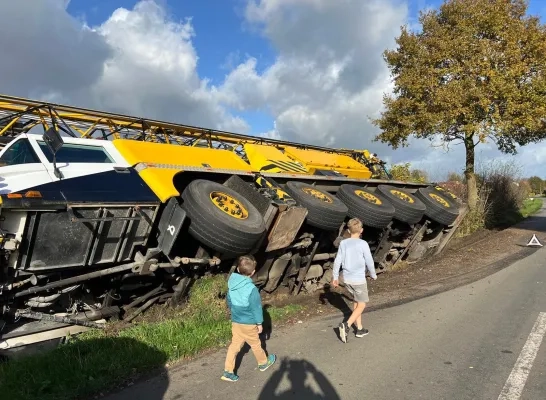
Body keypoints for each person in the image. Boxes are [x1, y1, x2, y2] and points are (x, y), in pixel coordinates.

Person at [221, 254, 276, 382]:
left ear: (238, 270)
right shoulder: (252, 289)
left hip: (236, 321)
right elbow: (256, 308)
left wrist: (233, 311)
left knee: (234, 345)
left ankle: (228, 371)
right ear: (253, 272)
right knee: (256, 344)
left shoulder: (231, 284)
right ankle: (263, 363)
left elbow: (229, 300)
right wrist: (259, 323)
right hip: (248, 323)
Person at [332, 217, 377, 343]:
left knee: (356, 302)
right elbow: (369, 261)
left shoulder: (343, 243)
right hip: (358, 279)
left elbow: (338, 261)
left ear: (348, 230)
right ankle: (346, 325)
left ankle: (360, 329)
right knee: (362, 304)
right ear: (361, 230)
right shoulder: (363, 244)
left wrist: (335, 277)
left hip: (347, 279)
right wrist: (373, 274)